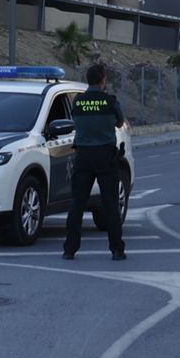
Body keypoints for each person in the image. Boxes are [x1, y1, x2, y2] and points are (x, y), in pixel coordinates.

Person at [62, 62, 128, 261]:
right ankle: (117, 249)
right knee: (111, 205)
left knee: (77, 205)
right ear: (103, 81)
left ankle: (69, 250)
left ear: (87, 80)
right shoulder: (110, 101)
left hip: (83, 157)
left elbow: (76, 120)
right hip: (106, 157)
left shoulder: (78, 102)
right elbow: (119, 121)